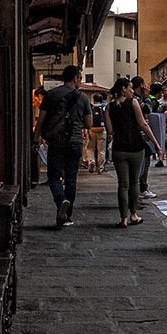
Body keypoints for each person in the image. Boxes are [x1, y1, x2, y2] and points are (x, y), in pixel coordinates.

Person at [37, 65, 94, 226]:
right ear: (75, 78)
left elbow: (41, 120)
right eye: (80, 78)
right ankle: (67, 216)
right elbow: (89, 124)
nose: (80, 81)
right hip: (75, 141)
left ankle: (61, 200)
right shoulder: (82, 98)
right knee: (71, 179)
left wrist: (36, 139)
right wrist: (76, 123)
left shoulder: (51, 94)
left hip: (56, 142)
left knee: (54, 176)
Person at [107, 77, 162, 227]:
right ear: (124, 89)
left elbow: (110, 130)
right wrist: (156, 144)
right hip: (135, 146)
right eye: (130, 87)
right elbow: (143, 124)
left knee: (122, 184)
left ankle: (123, 218)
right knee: (134, 182)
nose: (132, 90)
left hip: (119, 148)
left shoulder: (109, 107)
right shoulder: (133, 103)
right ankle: (133, 215)